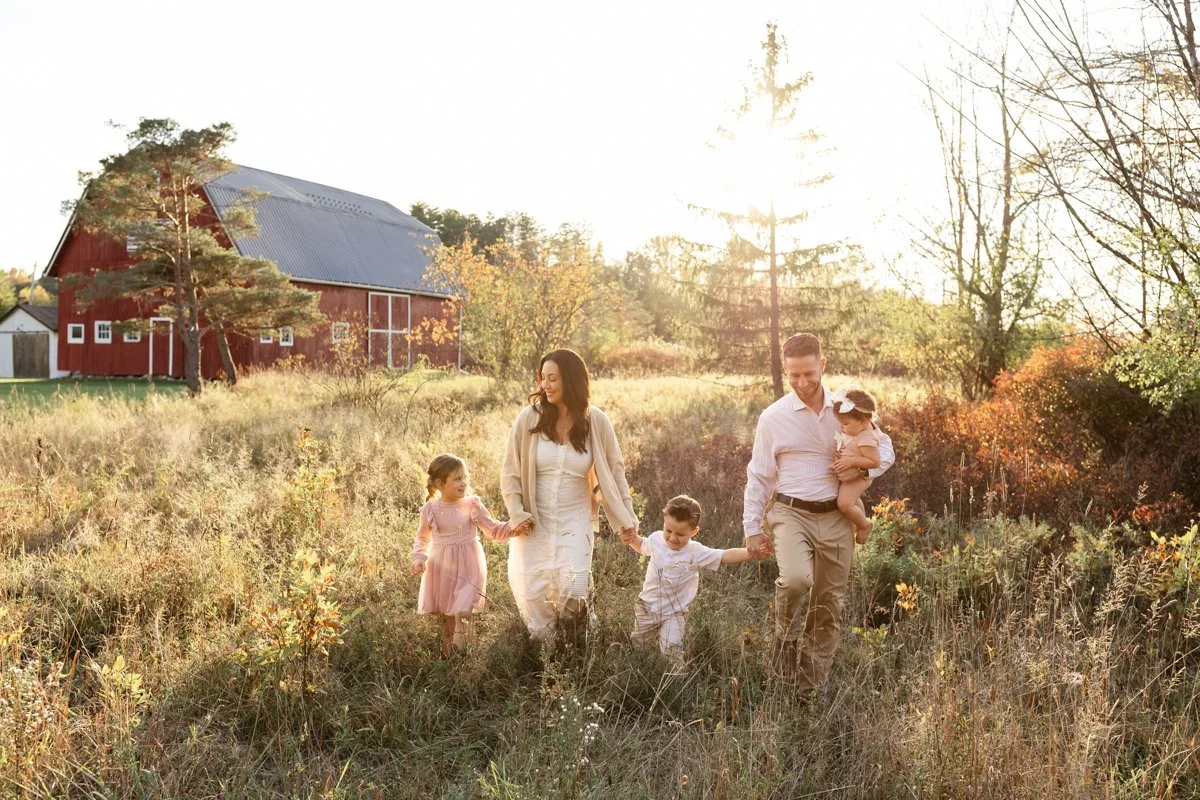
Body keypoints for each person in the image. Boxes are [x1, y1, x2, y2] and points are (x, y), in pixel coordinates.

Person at [742, 333, 895, 690]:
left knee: (828, 605)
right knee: (796, 580)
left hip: (837, 516)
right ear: (786, 370)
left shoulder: (845, 409)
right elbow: (760, 475)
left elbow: (885, 450)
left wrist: (860, 469)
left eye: (809, 373)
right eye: (793, 375)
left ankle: (807, 690)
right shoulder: (773, 417)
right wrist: (752, 527)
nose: (802, 382)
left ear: (822, 365)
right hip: (790, 512)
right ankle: (782, 647)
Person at [500, 349, 638, 642]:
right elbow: (510, 473)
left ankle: (579, 642)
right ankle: (546, 649)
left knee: (575, 588)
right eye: (543, 378)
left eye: (553, 379)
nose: (545, 385)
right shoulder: (529, 418)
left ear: (571, 380)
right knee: (534, 590)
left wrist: (627, 517)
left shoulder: (596, 420)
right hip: (534, 519)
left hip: (576, 519)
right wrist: (517, 513)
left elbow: (615, 472)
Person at [619, 495, 754, 669]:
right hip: (647, 607)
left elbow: (724, 556)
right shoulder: (656, 539)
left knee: (672, 652)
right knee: (639, 647)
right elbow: (641, 545)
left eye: (681, 534)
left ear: (694, 531)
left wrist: (751, 552)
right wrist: (631, 538)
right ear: (664, 522)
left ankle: (676, 679)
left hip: (675, 613)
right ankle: (641, 673)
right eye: (669, 530)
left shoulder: (695, 552)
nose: (673, 538)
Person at [411, 453, 515, 657]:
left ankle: (460, 656)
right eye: (457, 479)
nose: (464, 483)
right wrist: (419, 557)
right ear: (440, 483)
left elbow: (493, 529)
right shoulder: (430, 509)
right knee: (448, 618)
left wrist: (515, 527)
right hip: (442, 567)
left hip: (469, 565)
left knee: (464, 611)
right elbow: (422, 538)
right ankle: (449, 661)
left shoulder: (472, 504)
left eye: (464, 477)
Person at [830, 387, 882, 544]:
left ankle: (864, 525)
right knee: (851, 500)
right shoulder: (859, 433)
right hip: (852, 476)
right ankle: (858, 520)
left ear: (863, 421)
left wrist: (851, 462)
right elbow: (854, 450)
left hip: (859, 478)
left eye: (845, 424)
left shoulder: (867, 438)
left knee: (844, 504)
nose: (842, 427)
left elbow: (874, 461)